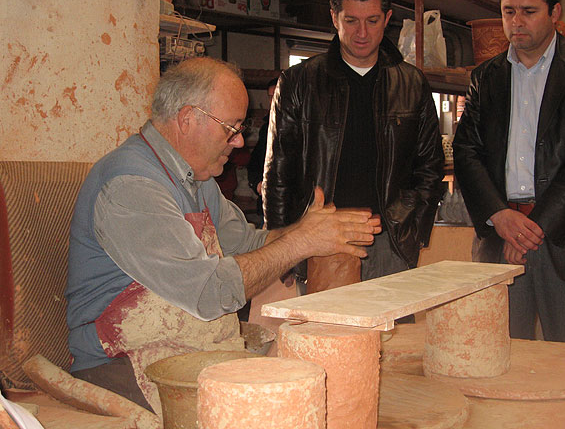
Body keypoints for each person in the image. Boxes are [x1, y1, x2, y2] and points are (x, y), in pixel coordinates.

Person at [64, 57, 381, 411]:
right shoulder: (132, 187)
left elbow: (248, 246)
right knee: (268, 410)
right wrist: (301, 242)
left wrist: (310, 231)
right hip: (121, 362)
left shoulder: (196, 179)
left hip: (184, 348)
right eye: (230, 127)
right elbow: (209, 292)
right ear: (187, 119)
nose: (240, 141)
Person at [453, 0, 565, 344]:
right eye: (509, 11)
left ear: (555, 13)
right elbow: (466, 152)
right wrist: (500, 216)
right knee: (499, 360)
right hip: (500, 239)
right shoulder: (486, 77)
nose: (516, 22)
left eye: (529, 12)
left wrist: (532, 228)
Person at [263, 0, 444, 285]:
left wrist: (412, 228)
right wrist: (280, 247)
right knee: (326, 333)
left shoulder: (412, 84)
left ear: (387, 19)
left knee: (396, 333)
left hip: (390, 240)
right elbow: (278, 172)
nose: (362, 32)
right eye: (351, 21)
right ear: (334, 18)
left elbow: (429, 165)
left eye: (372, 21)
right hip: (321, 240)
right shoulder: (298, 82)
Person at [247, 77, 279, 227]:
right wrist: (257, 183)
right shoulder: (267, 128)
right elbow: (255, 162)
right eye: (270, 96)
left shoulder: (303, 128)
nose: (273, 101)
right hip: (267, 204)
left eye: (277, 95)